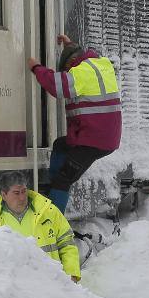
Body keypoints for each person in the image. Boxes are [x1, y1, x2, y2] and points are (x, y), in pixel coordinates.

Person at [27, 34, 121, 214]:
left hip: (93, 141)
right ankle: (53, 185)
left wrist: (36, 67)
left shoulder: (80, 72)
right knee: (60, 145)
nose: (68, 73)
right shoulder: (101, 64)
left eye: (67, 69)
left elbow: (57, 85)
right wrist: (69, 45)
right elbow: (76, 55)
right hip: (99, 136)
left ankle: (54, 223)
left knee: (65, 179)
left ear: (71, 64)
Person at [0, 171, 81, 282]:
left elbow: (67, 244)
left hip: (51, 284)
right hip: (13, 288)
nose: (22, 197)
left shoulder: (48, 211)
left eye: (24, 191)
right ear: (4, 195)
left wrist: (72, 274)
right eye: (16, 193)